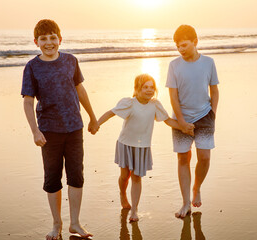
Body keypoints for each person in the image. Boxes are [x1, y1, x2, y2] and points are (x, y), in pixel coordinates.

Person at [21, 19, 99, 240]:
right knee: (52, 178)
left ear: (60, 39)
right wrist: (35, 131)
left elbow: (80, 89)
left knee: (77, 176)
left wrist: (93, 117)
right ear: (36, 42)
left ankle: (75, 223)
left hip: (75, 127)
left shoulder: (71, 61)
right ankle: (57, 224)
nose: (49, 42)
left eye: (53, 38)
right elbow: (28, 101)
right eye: (43, 39)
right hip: (48, 131)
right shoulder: (32, 67)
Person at [97, 74, 194, 222]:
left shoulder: (155, 105)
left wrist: (184, 128)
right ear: (137, 89)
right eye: (145, 87)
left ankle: (134, 210)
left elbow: (168, 120)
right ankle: (122, 194)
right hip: (126, 144)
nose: (149, 90)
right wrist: (97, 123)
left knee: (136, 177)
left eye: (152, 87)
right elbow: (111, 113)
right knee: (124, 176)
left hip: (142, 147)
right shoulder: (129, 103)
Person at [166, 25, 220, 218]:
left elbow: (214, 90)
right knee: (183, 158)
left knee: (204, 158)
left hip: (205, 115)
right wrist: (180, 121)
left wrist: (212, 113)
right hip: (181, 117)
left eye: (184, 45)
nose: (180, 49)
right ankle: (185, 202)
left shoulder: (208, 62)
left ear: (195, 42)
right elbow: (172, 96)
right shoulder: (174, 65)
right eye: (177, 46)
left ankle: (196, 187)